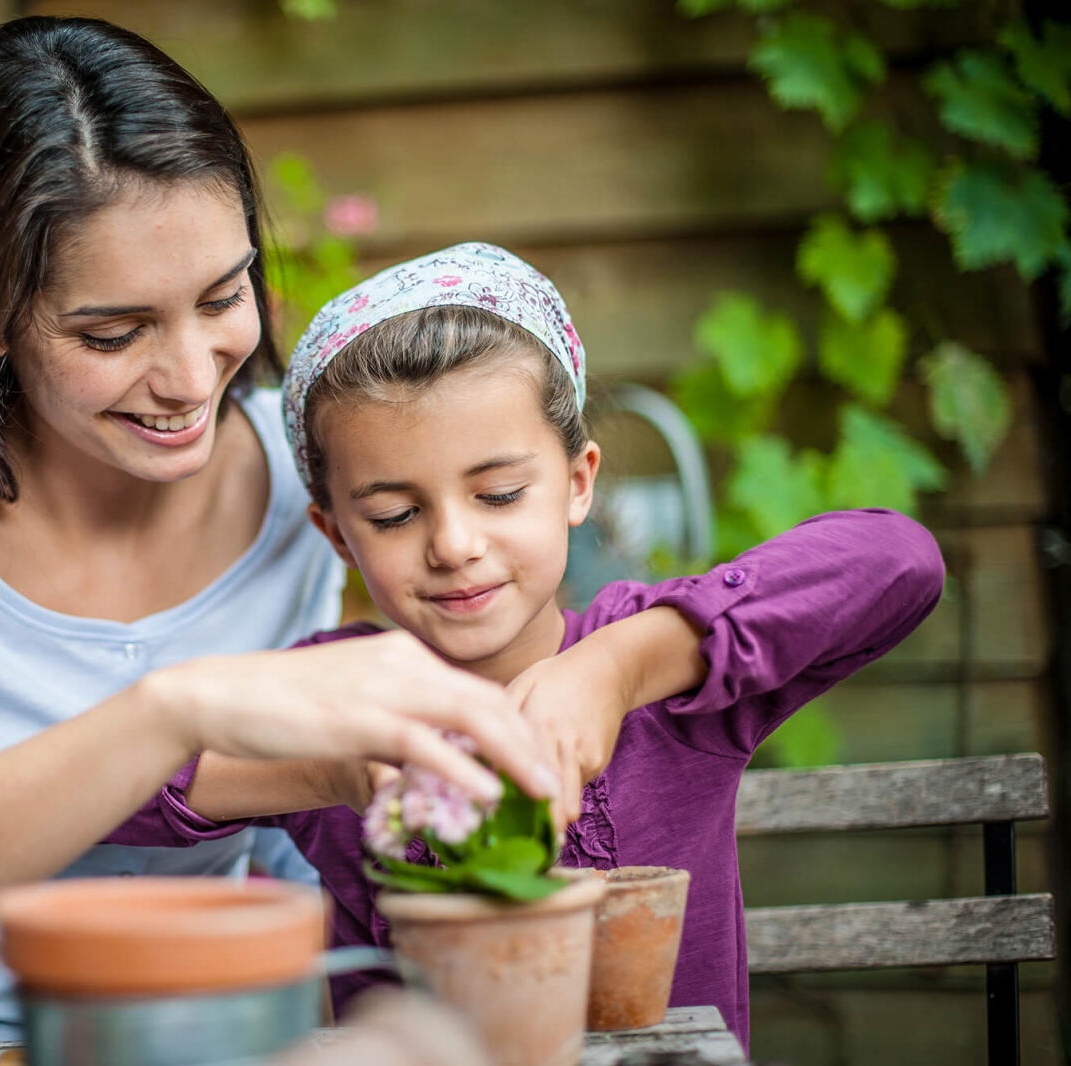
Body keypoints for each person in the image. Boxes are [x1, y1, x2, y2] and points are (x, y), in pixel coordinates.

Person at [0, 20, 556, 1043]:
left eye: (222, 297)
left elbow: (295, 860)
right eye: (111, 333)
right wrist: (170, 712)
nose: (191, 377)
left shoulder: (301, 468)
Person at [115, 242, 946, 1048]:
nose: (453, 545)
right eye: (395, 516)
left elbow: (900, 562)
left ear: (578, 483)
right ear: (336, 535)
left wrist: (620, 669)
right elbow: (113, 783)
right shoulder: (340, 695)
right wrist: (328, 765)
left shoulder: (667, 681)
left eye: (500, 493)